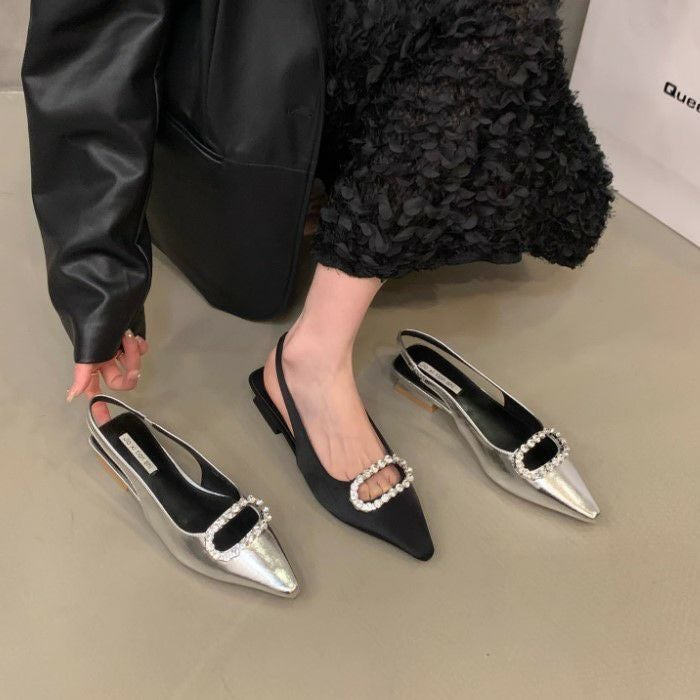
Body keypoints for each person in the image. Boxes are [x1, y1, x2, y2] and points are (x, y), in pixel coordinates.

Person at [23, 1, 613, 508]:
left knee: (507, 19)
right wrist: (98, 276)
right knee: (500, 20)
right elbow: (90, 40)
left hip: (361, 54)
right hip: (243, 77)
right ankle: (312, 363)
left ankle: (315, 343)